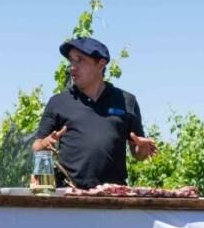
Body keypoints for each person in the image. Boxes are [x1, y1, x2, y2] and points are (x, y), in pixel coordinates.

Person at [33, 37, 157, 188]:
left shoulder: (126, 101)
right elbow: (37, 146)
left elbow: (137, 152)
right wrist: (44, 145)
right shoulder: (58, 102)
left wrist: (142, 150)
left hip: (113, 198)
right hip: (69, 198)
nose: (73, 67)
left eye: (80, 60)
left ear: (101, 64)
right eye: (71, 60)